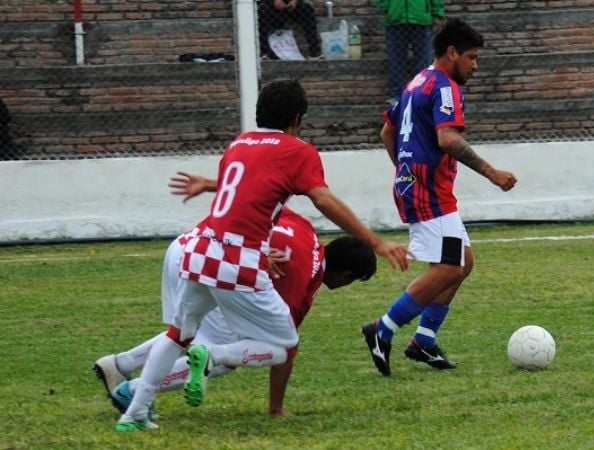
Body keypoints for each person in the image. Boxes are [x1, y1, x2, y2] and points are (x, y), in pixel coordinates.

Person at [114, 79, 409, 431]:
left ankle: (134, 413)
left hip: (201, 248)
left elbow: (243, 189)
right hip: (239, 260)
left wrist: (206, 184)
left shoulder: (240, 143)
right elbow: (323, 200)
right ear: (297, 118)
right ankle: (213, 356)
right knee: (284, 344)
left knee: (177, 334)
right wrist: (376, 241)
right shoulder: (298, 151)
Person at [94, 202, 377, 418]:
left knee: (186, 332)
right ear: (347, 275)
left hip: (190, 246)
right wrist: (276, 409)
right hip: (219, 263)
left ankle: (120, 365)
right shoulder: (302, 288)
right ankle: (133, 391)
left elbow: (261, 204)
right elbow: (284, 351)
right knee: (222, 356)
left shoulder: (303, 226)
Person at [361, 18, 517, 376]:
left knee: (463, 261)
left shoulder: (418, 81)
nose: (475, 66)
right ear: (452, 53)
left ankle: (424, 342)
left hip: (420, 186)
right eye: (472, 57)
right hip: (428, 190)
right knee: (448, 267)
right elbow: (448, 139)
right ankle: (381, 329)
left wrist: (403, 167)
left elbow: (387, 132)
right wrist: (492, 173)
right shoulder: (445, 87)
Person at [375, 0, 445, 105]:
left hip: (420, 19)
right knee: (396, 61)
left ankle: (422, 95)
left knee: (423, 62)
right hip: (396, 20)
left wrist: (437, 13)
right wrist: (388, 8)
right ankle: (397, 97)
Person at [259, 0, 323, 60]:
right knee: (263, 9)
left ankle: (314, 51)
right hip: (271, 6)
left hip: (292, 6)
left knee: (307, 8)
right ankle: (265, 52)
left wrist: (295, 1)